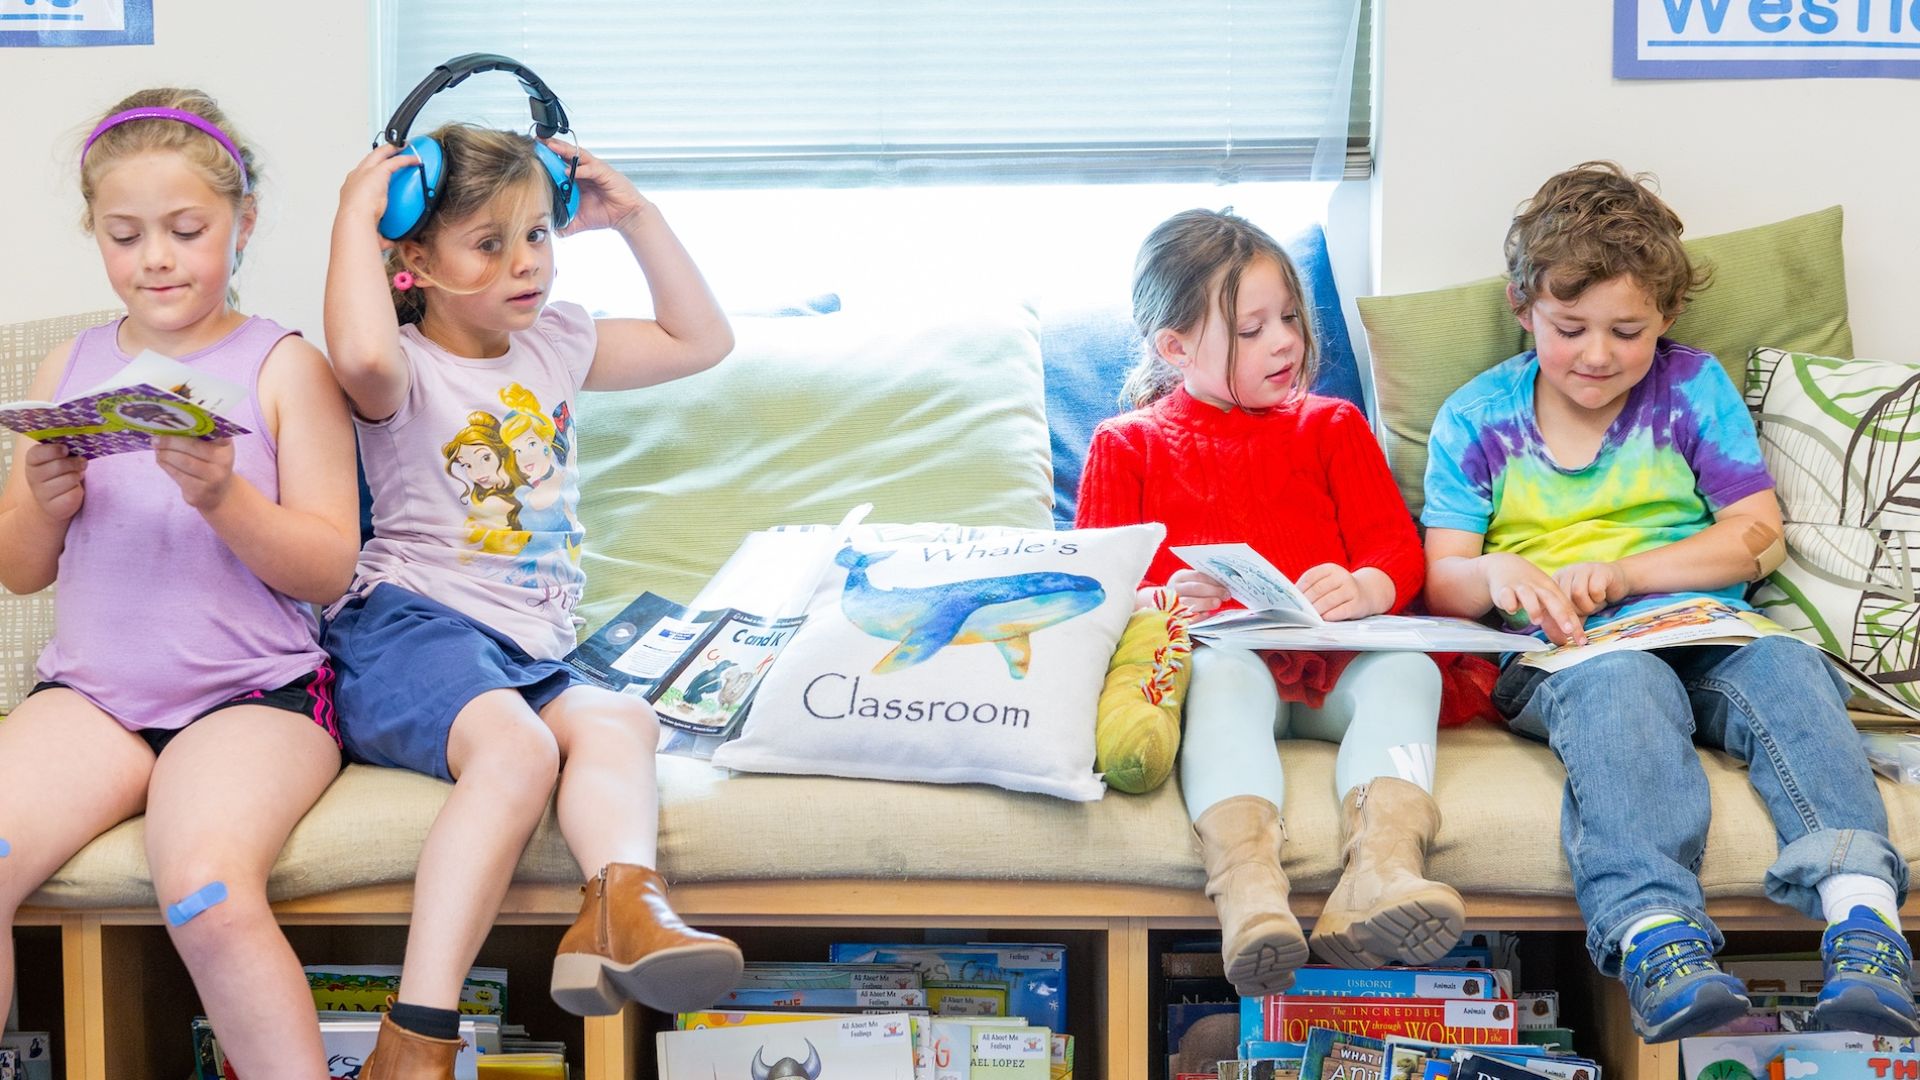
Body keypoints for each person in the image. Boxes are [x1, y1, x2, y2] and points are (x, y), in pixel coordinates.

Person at [1422, 161, 1915, 1041]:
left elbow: (1757, 530)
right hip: (1567, 658)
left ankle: (1863, 914)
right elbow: (1443, 577)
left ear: (1668, 318)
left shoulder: (1690, 388)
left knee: (1790, 668)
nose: (1598, 355)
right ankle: (1658, 936)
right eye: (1570, 328)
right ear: (1522, 306)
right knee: (1624, 692)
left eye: (1628, 330)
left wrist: (1632, 572)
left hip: (1703, 629)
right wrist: (1499, 573)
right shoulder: (1477, 416)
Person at [322, 119, 742, 1073]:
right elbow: (354, 352)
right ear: (413, 259)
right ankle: (415, 1036)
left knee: (621, 720)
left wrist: (634, 217)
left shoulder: (553, 343)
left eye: (539, 234)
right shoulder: (403, 369)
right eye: (488, 242)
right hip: (410, 626)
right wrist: (355, 215)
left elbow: (700, 338)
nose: (528, 265)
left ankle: (620, 911)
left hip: (531, 641)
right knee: (513, 752)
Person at [0, 89, 360, 1078]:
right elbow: (18, 567)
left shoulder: (285, 367)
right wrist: (41, 497)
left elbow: (332, 564)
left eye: (186, 229)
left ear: (241, 227)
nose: (155, 257)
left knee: (204, 889)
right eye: (125, 235)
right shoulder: (71, 362)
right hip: (94, 695)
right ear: (97, 239)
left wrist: (224, 498)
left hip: (251, 696)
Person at [1075, 209, 1463, 996]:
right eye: (1251, 329)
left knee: (1410, 671)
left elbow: (1396, 550)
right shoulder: (1128, 446)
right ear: (1174, 348)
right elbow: (1095, 588)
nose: (1284, 341)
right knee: (1222, 679)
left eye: (1289, 318)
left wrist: (1364, 587)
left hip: (1334, 665)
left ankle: (1383, 873)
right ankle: (1250, 891)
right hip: (1231, 664)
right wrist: (1163, 597)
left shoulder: (1332, 426)